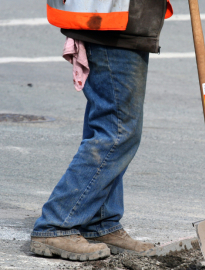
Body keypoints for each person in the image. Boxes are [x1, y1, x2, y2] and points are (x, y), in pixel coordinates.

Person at [30, 0, 173, 261]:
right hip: (110, 23)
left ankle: (99, 221)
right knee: (117, 132)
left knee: (112, 126)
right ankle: (56, 224)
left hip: (122, 22)